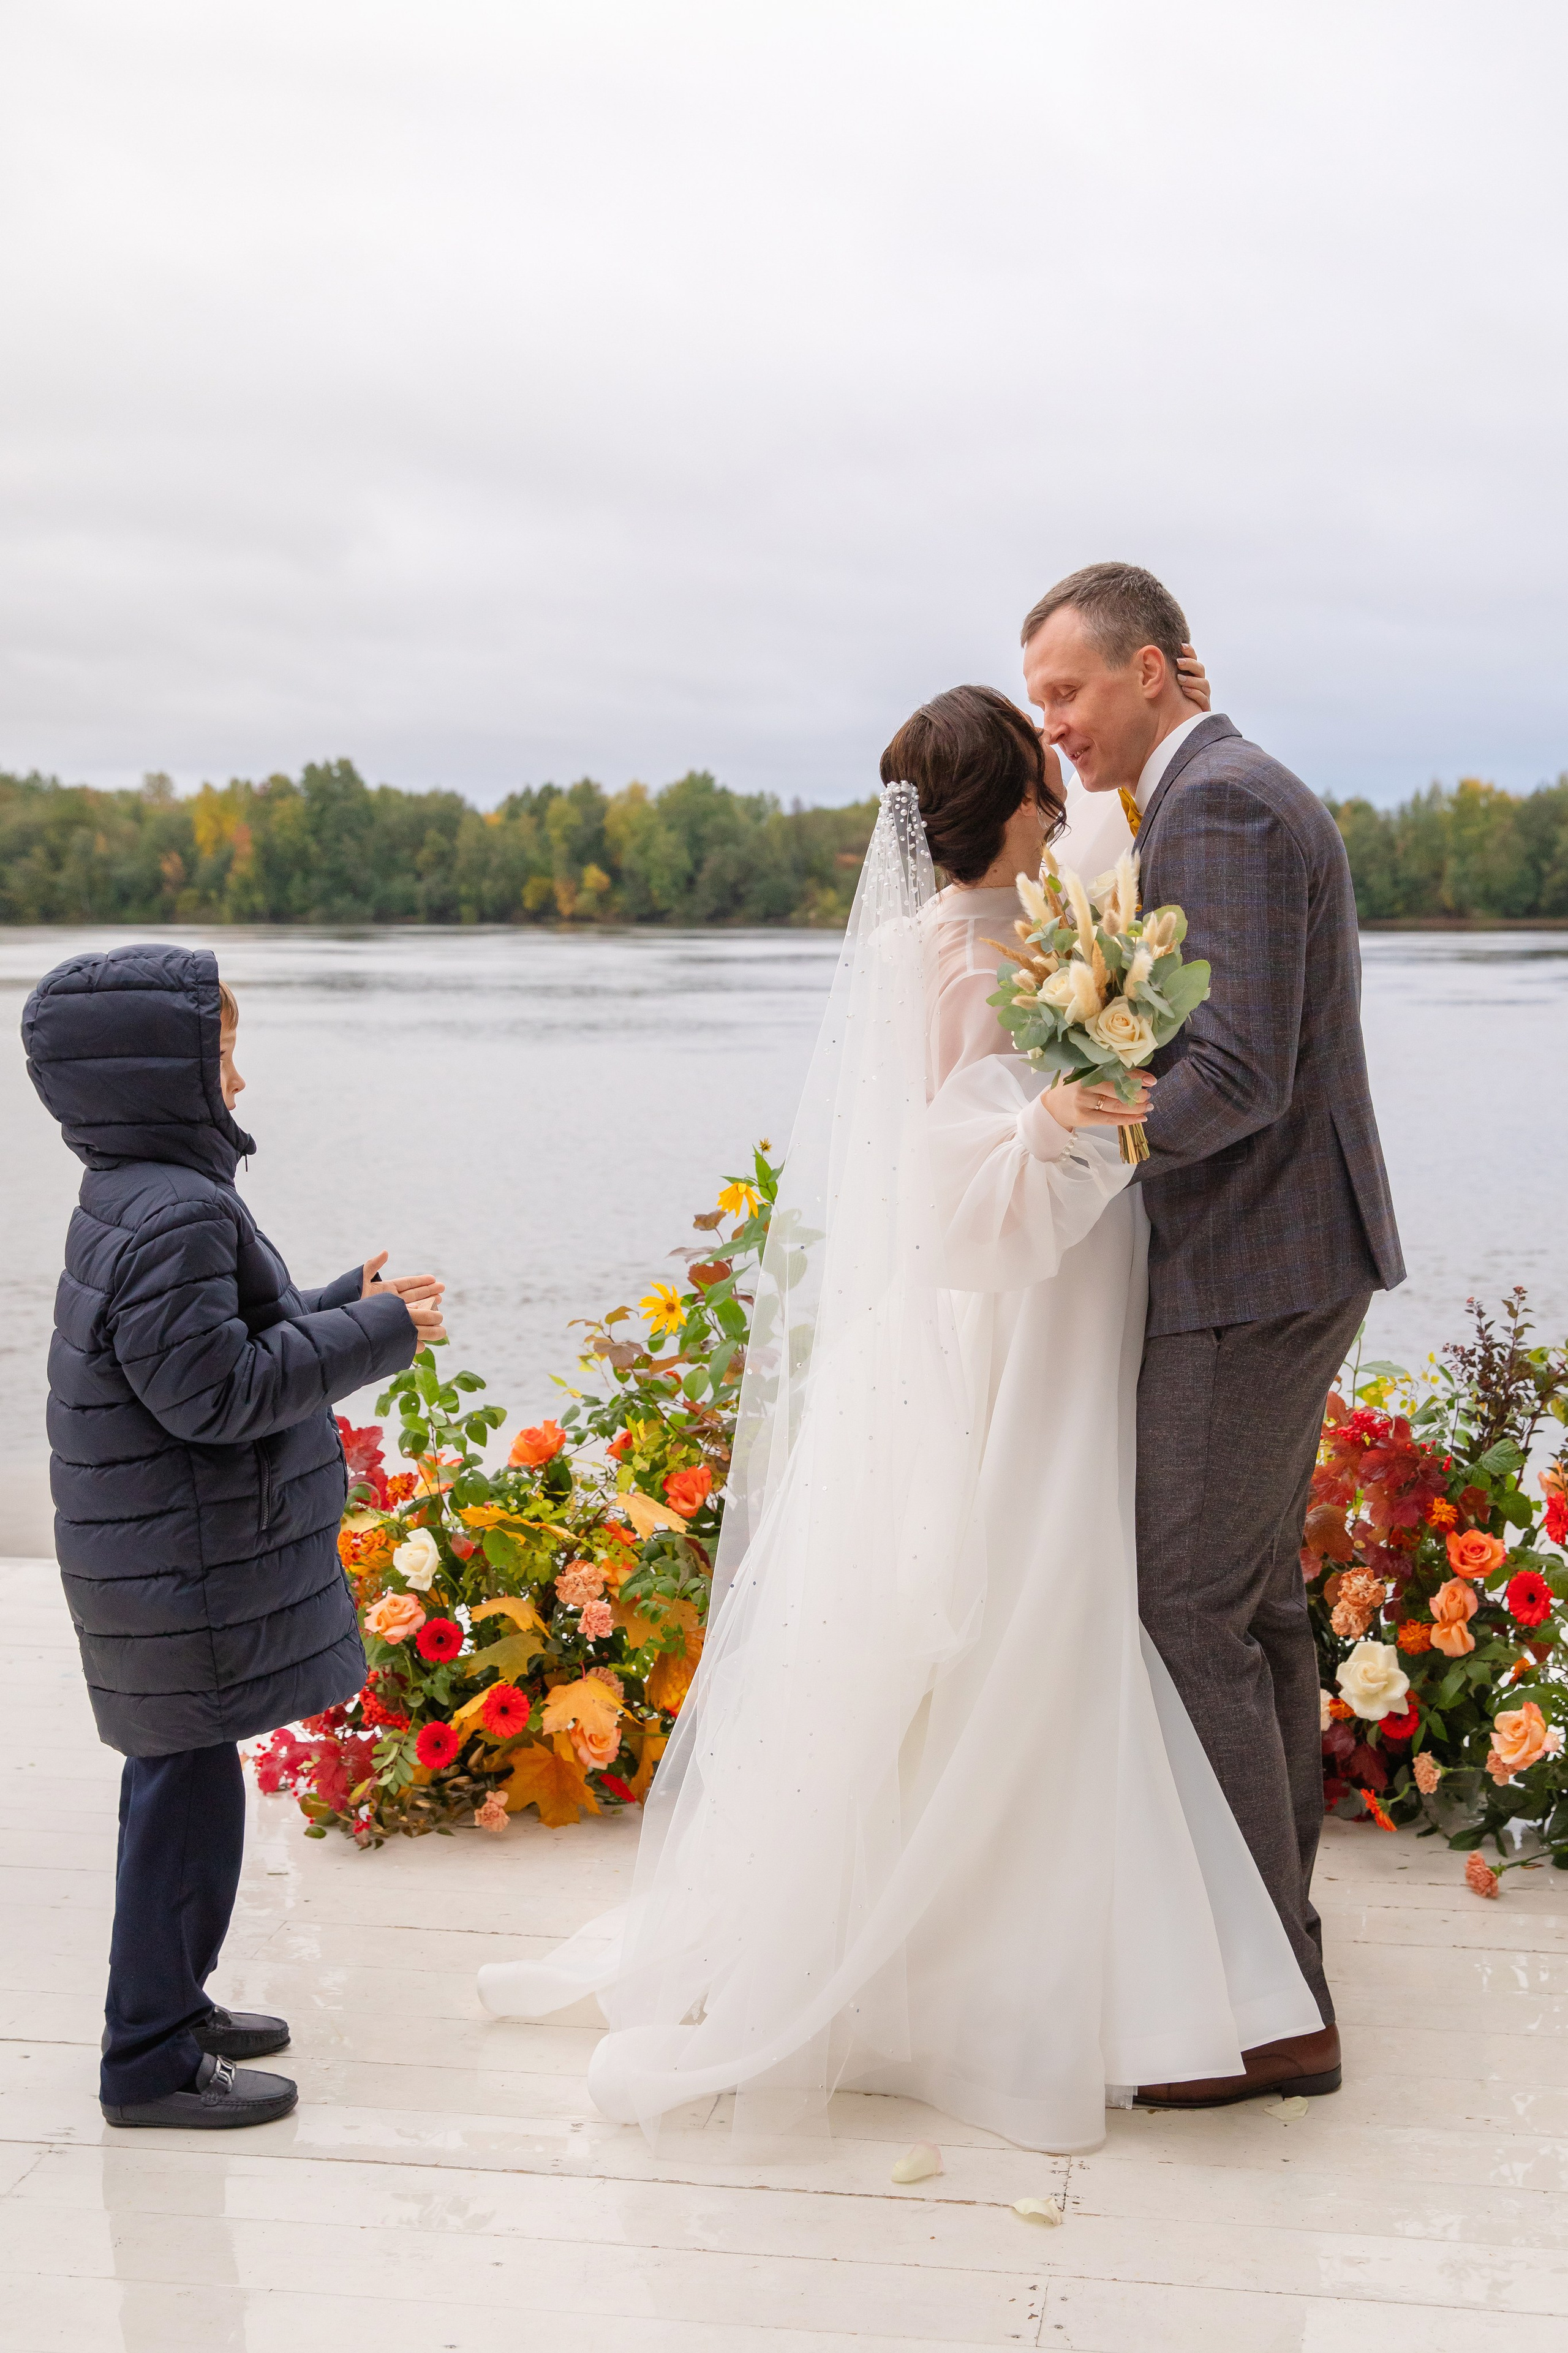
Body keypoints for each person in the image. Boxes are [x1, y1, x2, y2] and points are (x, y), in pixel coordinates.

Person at [477, 665, 1329, 2156]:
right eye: (1037, 754)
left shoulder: (1029, 910)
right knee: (1043, 1591)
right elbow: (950, 1177)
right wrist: (1069, 1122)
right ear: (1008, 798)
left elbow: (1123, 892)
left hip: (1070, 1276)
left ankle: (1123, 1948)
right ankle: (1032, 1963)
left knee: (1069, 1588)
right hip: (1027, 1296)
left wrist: (1087, 1088)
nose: (1059, 776)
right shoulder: (952, 949)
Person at [1021, 562, 1404, 2106]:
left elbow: (1234, 1073)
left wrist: (1068, 1157)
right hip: (1279, 1256)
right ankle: (1273, 1957)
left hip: (1253, 1268)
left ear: (1161, 668)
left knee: (1183, 1611)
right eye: (1039, 698)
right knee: (1250, 1613)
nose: (1053, 725)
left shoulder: (1220, 804)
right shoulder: (1206, 797)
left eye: (1070, 690)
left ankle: (1269, 2017)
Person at [22, 943, 446, 2129]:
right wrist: (374, 1333)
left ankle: (173, 1999)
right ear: (158, 1075)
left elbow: (212, 1343)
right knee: (183, 1799)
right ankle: (149, 2057)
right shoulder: (174, 1212)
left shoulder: (140, 1193)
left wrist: (330, 1300)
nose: (239, 1086)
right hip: (178, 1564)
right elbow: (217, 1394)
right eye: (221, 1056)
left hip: (156, 1555)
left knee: (185, 1785)